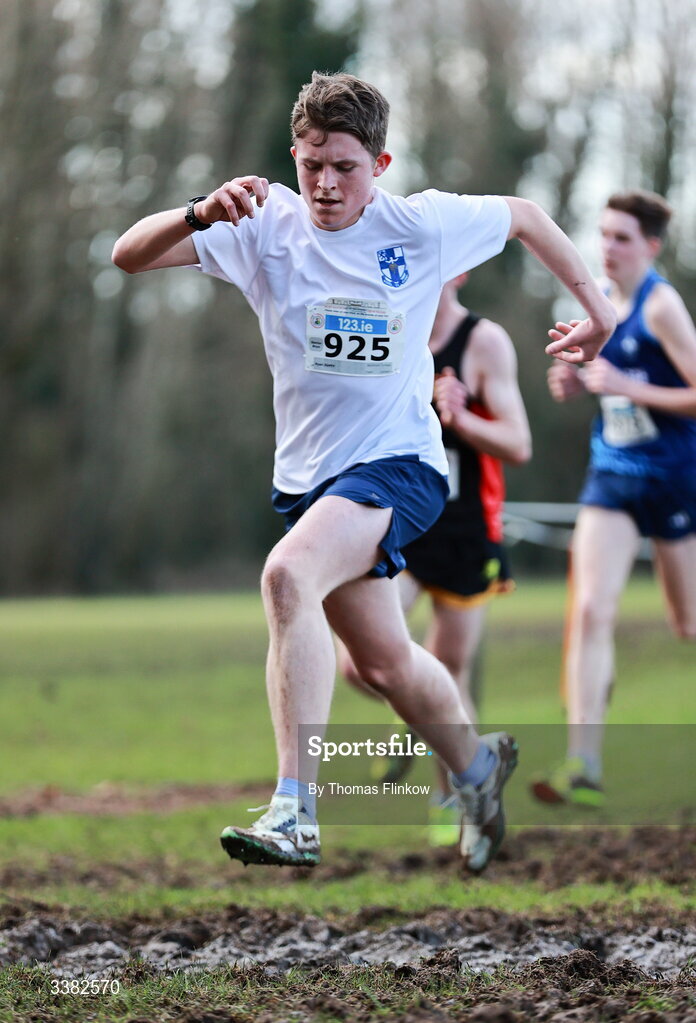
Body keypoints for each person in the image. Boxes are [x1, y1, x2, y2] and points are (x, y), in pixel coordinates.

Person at [112, 71, 615, 872]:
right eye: (312, 163)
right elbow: (127, 256)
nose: (325, 183)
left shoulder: (421, 226)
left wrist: (601, 314)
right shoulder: (263, 224)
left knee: (286, 578)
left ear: (380, 166)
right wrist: (200, 210)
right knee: (381, 662)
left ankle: (294, 810)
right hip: (312, 479)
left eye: (345, 166)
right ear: (294, 155)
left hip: (401, 465)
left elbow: (525, 217)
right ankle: (479, 769)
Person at [339, 272, 532, 845]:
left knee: (449, 673)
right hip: (396, 519)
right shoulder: (382, 331)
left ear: (465, 268)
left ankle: (455, 798)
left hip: (462, 531)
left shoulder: (482, 340)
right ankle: (414, 713)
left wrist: (462, 417)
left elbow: (519, 444)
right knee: (359, 662)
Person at [531, 190, 696, 807]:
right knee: (592, 611)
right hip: (611, 478)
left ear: (650, 246)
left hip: (675, 480)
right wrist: (574, 381)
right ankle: (585, 763)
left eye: (623, 237)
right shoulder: (591, 302)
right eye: (603, 234)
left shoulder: (661, 308)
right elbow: (598, 379)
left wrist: (629, 385)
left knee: (687, 625)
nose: (608, 246)